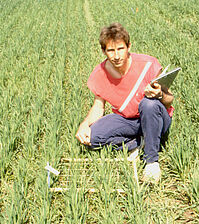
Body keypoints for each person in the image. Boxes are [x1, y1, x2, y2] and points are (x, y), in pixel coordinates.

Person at [75, 23, 174, 183]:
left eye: (120, 49)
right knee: (92, 138)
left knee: (149, 104)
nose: (116, 56)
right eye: (111, 51)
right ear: (103, 51)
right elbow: (98, 106)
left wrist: (159, 94)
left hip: (154, 117)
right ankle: (139, 142)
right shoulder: (99, 74)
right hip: (127, 119)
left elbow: (169, 101)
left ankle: (151, 162)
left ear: (129, 46)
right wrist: (85, 124)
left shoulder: (148, 64)